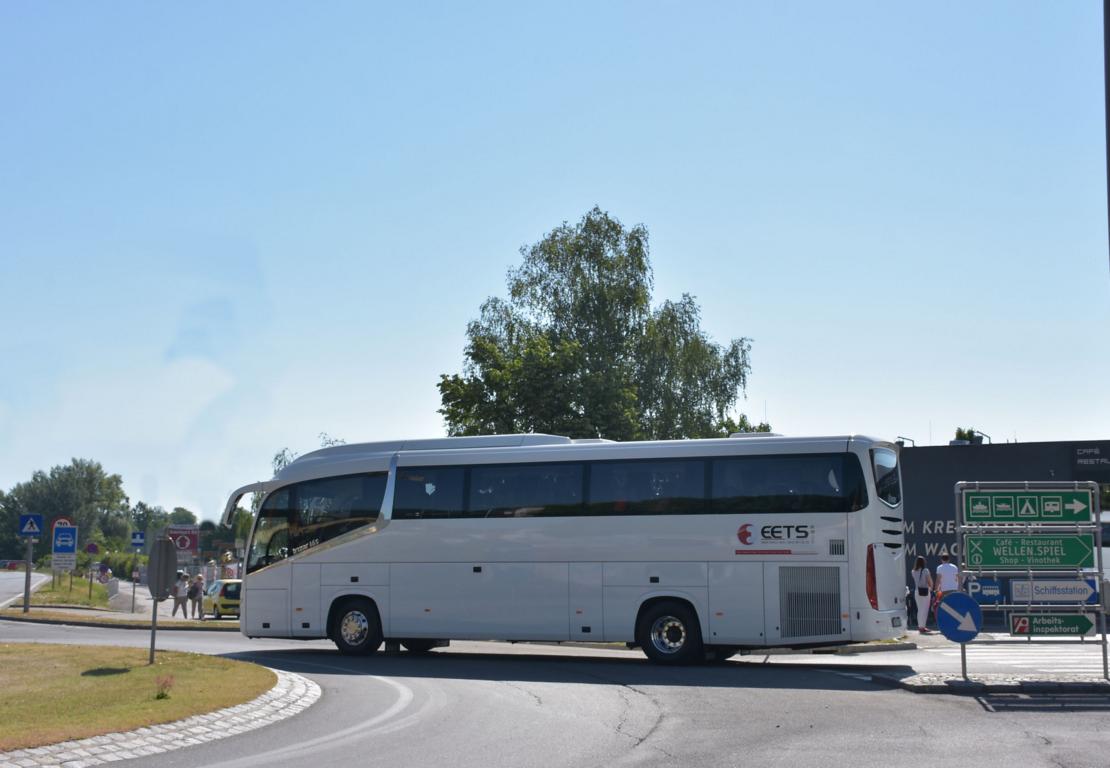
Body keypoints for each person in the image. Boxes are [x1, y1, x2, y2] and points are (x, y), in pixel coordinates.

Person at [909, 556, 934, 633]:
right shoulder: (925, 570)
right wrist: (931, 588)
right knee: (925, 609)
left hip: (917, 591)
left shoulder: (913, 571)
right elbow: (929, 581)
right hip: (925, 591)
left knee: (919, 609)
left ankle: (920, 626)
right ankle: (922, 627)